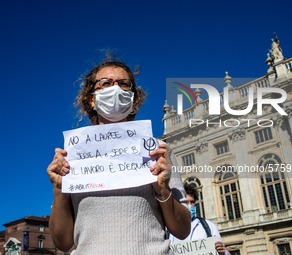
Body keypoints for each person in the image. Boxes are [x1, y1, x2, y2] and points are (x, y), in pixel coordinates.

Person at [46, 58, 191, 254]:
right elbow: (62, 242)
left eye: (124, 84)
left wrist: (163, 190)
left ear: (132, 99)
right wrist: (59, 189)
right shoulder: (73, 156)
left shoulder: (159, 152)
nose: (116, 89)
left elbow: (182, 231)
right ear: (91, 99)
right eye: (105, 83)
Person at [169, 184, 229, 255]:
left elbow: (223, 252)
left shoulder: (209, 226)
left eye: (192, 202)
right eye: (186, 202)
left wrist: (222, 251)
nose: (190, 205)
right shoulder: (169, 230)